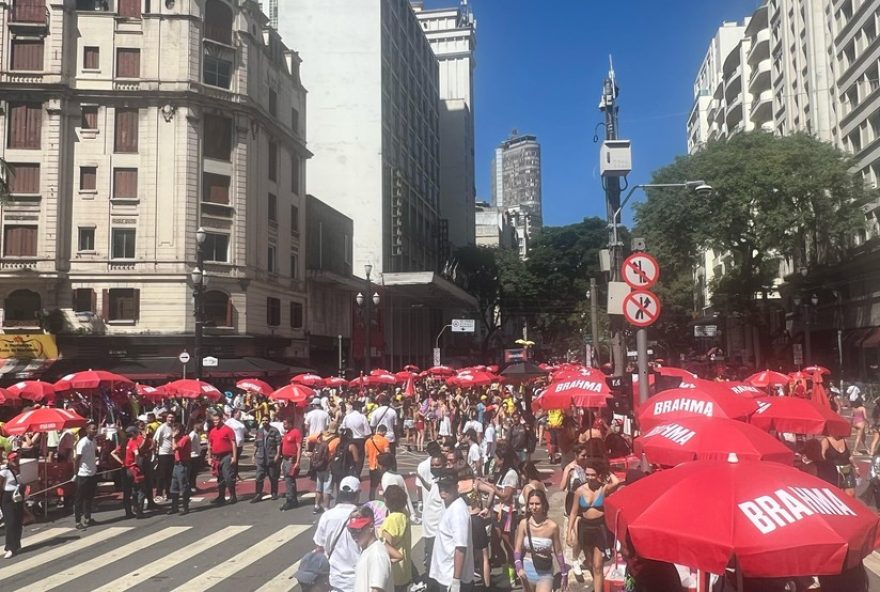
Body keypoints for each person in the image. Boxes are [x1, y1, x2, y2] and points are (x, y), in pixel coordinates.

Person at [567, 461, 620, 592]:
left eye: (593, 474)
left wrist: (607, 471)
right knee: (590, 562)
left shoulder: (604, 488)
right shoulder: (579, 491)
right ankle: (599, 585)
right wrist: (569, 532)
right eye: (588, 474)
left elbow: (617, 482)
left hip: (600, 527)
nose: (590, 477)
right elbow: (573, 512)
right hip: (585, 528)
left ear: (598, 475)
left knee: (597, 564)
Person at [314, 475, 363, 592]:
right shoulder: (363, 517)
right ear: (358, 493)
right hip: (358, 579)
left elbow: (319, 547)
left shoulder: (327, 516)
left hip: (334, 579)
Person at [429, 470, 474, 592]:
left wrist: (456, 580)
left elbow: (461, 547)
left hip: (451, 577)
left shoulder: (458, 511)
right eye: (441, 486)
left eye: (447, 486)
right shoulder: (447, 504)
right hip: (444, 573)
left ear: (456, 487)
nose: (443, 490)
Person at [514, 489, 567, 592]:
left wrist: (564, 573)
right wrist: (519, 567)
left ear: (544, 505)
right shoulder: (524, 524)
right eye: (531, 504)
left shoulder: (552, 526)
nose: (534, 507)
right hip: (527, 571)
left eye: (537, 504)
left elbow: (558, 551)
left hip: (545, 572)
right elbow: (517, 549)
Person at [349, 505, 394, 592]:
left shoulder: (377, 554)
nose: (354, 534)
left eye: (358, 530)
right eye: (351, 530)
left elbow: (377, 590)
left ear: (371, 526)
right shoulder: (367, 550)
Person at [379, 485, 412, 592]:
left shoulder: (391, 521)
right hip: (404, 570)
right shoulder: (404, 514)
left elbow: (386, 546)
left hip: (394, 572)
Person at [421, 451, 446, 578]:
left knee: (432, 562)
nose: (434, 468)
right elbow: (431, 489)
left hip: (435, 532)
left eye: (437, 465)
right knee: (429, 559)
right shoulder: (436, 481)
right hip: (429, 530)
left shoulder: (445, 485)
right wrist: (421, 479)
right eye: (433, 465)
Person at [111, 425, 144, 518]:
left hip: (125, 468)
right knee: (139, 490)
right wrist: (136, 462)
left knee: (127, 492)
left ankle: (128, 512)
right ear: (133, 434)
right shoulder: (133, 442)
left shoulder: (124, 443)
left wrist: (122, 461)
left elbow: (113, 453)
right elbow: (137, 453)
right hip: (133, 469)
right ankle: (139, 510)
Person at [207, 411, 238, 505]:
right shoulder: (212, 431)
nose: (216, 422)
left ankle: (233, 496)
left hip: (226, 456)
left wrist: (234, 457)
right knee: (219, 477)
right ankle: (221, 496)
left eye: (217, 420)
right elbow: (209, 445)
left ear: (221, 419)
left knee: (228, 476)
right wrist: (209, 457)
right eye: (214, 420)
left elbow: (233, 444)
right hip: (216, 457)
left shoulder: (228, 429)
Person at [74, 421, 99, 529]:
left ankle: (88, 517)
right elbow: (77, 459)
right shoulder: (82, 443)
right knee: (80, 498)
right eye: (92, 429)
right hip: (83, 474)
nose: (94, 431)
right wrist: (75, 473)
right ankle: (78, 521)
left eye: (95, 429)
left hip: (92, 473)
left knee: (89, 497)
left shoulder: (94, 441)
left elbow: (94, 454)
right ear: (87, 430)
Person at [252, 415, 282, 502]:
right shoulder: (259, 431)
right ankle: (258, 494)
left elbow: (278, 443)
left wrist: (277, 454)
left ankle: (274, 493)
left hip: (271, 457)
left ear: (269, 421)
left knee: (273, 477)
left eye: (266, 420)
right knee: (259, 477)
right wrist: (253, 455)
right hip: (261, 458)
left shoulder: (274, 431)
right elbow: (256, 444)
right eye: (263, 420)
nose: (264, 421)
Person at [1, 452, 24, 558]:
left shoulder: (18, 470)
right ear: (9, 461)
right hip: (7, 498)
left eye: (17, 458)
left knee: (18, 521)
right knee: (10, 522)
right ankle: (9, 547)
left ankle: (16, 544)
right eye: (13, 459)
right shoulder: (4, 472)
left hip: (18, 497)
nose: (16, 460)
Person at [168, 420, 192, 515]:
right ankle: (175, 507)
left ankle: (185, 507)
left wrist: (174, 437)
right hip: (177, 464)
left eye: (175, 430)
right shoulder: (178, 439)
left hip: (183, 464)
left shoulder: (185, 438)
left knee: (183, 486)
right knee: (174, 487)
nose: (173, 432)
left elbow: (175, 448)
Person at [343, 401, 372, 477]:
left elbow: (343, 428)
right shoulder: (362, 417)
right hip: (360, 440)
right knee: (359, 459)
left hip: (349, 439)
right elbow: (367, 432)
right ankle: (357, 474)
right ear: (359, 408)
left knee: (350, 457)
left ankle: (350, 473)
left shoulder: (347, 417)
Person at [821, 432, 857, 497]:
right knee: (837, 493)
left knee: (850, 493)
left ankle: (849, 506)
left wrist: (856, 467)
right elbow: (822, 455)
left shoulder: (845, 440)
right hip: (833, 471)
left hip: (847, 469)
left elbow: (850, 456)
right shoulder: (826, 441)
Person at [280, 417, 302, 511]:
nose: (284, 425)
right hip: (285, 459)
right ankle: (293, 499)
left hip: (291, 459)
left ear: (290, 424)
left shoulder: (296, 432)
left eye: (285, 423)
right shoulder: (286, 433)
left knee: (289, 480)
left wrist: (297, 461)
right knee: (288, 479)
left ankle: (290, 500)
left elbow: (299, 448)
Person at [153, 411, 175, 502]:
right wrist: (155, 452)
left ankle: (168, 493)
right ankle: (158, 494)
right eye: (169, 417)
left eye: (172, 417)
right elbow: (155, 440)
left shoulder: (174, 427)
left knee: (170, 475)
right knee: (161, 475)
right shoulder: (162, 428)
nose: (171, 419)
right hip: (163, 454)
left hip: (172, 454)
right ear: (166, 418)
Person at [366, 425, 391, 500]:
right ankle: (387, 504)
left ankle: (371, 502)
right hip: (382, 467)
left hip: (372, 466)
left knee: (373, 487)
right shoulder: (385, 441)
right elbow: (387, 454)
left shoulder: (368, 441)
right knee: (385, 486)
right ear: (383, 431)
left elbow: (367, 454)